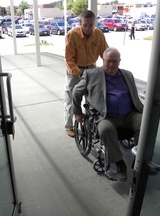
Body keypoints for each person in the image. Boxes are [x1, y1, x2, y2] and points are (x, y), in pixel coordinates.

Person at [72, 47, 143, 182]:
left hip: (129, 114)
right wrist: (77, 112)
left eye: (114, 61)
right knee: (105, 129)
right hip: (105, 116)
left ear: (119, 61)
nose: (111, 65)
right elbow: (76, 92)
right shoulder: (91, 74)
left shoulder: (128, 74)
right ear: (103, 60)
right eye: (108, 61)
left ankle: (139, 159)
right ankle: (119, 163)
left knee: (145, 124)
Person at [64, 10, 108, 138]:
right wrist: (79, 73)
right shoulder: (72, 35)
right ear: (80, 23)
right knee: (72, 97)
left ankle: (90, 124)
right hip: (74, 69)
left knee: (92, 97)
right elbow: (69, 59)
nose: (88, 28)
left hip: (91, 68)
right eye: (85, 25)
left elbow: (104, 52)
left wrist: (108, 65)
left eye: (91, 25)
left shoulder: (98, 34)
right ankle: (69, 126)